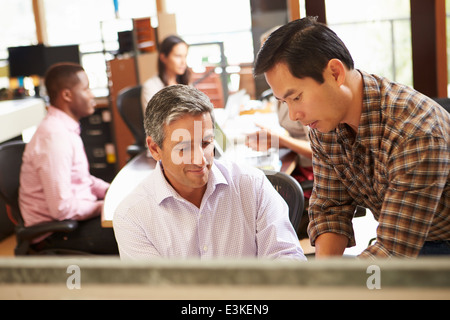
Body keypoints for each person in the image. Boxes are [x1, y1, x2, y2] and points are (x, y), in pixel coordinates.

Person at [254, 17, 450, 259]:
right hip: (403, 238)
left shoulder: (415, 132)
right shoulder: (326, 122)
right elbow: (330, 208)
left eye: (296, 97)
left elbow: (393, 252)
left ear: (335, 73)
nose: (294, 115)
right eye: (284, 102)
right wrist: (324, 277)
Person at [113, 84, 306, 261]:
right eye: (184, 148)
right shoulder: (132, 216)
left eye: (206, 143)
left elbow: (287, 259)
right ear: (155, 149)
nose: (200, 160)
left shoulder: (252, 184)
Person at [19, 62, 118, 254]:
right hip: (57, 232)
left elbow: (84, 180)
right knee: (136, 234)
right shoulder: (54, 137)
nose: (91, 95)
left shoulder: (66, 128)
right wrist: (101, 207)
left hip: (74, 222)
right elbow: (61, 209)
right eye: (86, 89)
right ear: (67, 95)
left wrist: (114, 192)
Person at [141, 35, 191, 112]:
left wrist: (198, 124)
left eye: (185, 56)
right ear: (163, 57)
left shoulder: (186, 83)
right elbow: (154, 122)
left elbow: (196, 116)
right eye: (178, 56)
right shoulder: (151, 87)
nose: (183, 62)